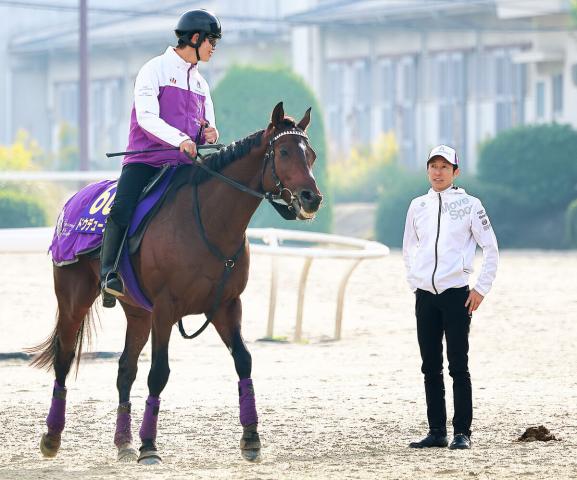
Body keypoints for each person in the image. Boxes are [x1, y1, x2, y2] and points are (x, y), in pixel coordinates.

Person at [100, 9, 221, 308]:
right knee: (122, 207)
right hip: (146, 159)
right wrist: (181, 139)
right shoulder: (152, 69)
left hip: (183, 166)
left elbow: (208, 125)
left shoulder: (202, 84)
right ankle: (108, 275)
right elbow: (146, 118)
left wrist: (209, 133)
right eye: (212, 40)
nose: (214, 47)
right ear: (195, 38)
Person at [402, 145, 499, 450]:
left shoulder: (470, 205)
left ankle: (462, 433)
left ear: (456, 171)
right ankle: (436, 432)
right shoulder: (417, 205)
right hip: (425, 296)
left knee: (458, 365)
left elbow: (491, 249)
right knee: (430, 366)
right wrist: (414, 281)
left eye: (445, 167)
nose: (438, 172)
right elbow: (408, 248)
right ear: (427, 170)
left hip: (457, 294)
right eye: (433, 166)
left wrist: (480, 288)